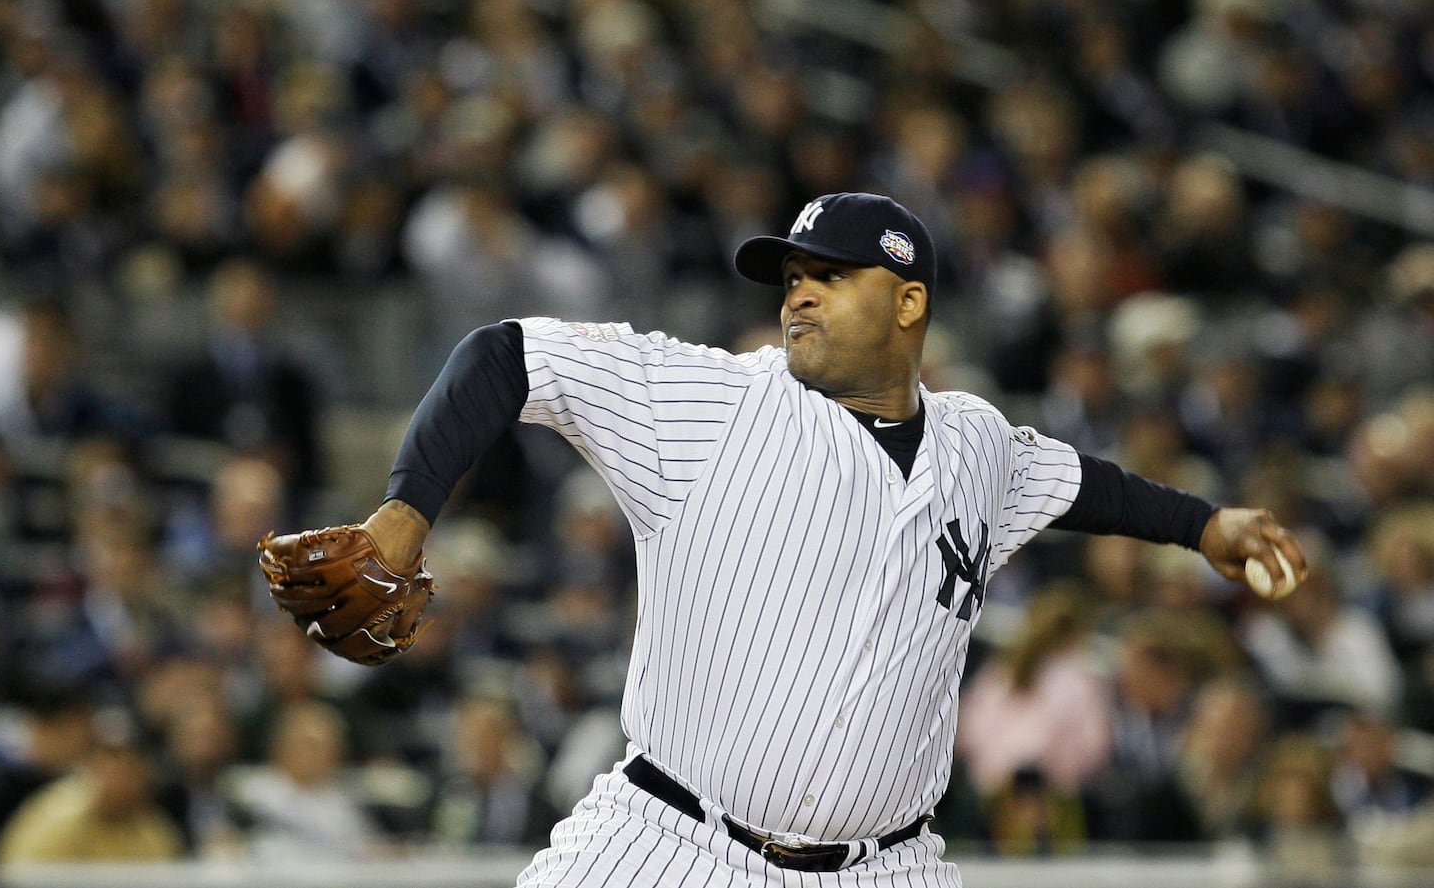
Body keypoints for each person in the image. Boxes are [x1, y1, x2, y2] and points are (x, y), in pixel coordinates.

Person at [268, 192, 1309, 885]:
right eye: (790, 271)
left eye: (831, 272)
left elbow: (1089, 484)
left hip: (886, 866)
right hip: (669, 843)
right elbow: (506, 355)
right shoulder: (715, 400)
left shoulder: (979, 445)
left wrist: (1206, 523)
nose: (796, 288)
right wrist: (401, 513)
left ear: (909, 302)